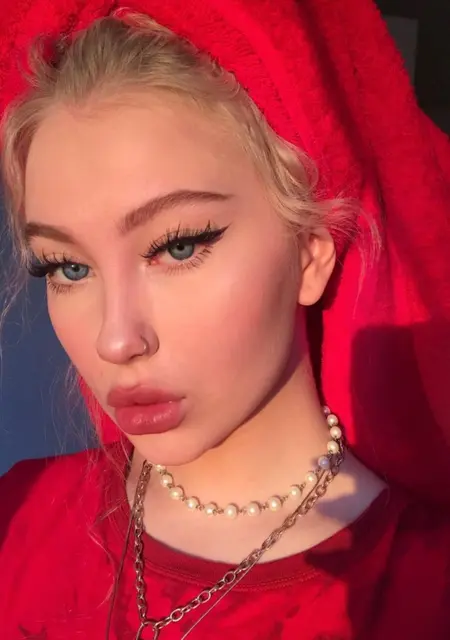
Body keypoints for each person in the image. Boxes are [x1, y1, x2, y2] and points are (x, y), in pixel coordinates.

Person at [1, 1, 450, 639]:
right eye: (68, 267)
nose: (116, 339)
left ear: (310, 252)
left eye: (178, 246)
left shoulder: (422, 597)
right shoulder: (18, 522)